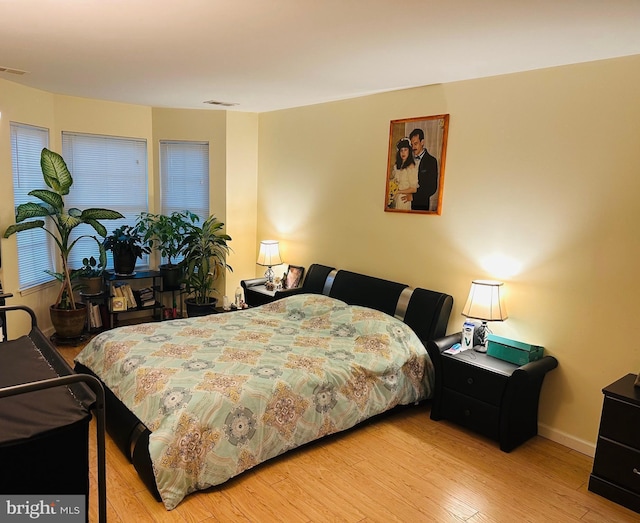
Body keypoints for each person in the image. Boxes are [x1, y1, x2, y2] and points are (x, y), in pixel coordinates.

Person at [401, 128, 439, 211]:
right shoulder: (408, 159)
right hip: (404, 204)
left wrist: (413, 197)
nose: (413, 147)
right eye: (412, 145)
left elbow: (432, 188)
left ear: (422, 142)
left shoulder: (431, 161)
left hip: (421, 205)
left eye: (416, 144)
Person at [389, 138, 418, 210]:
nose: (403, 153)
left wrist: (399, 191)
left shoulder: (411, 166)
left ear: (409, 151)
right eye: (401, 150)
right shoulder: (397, 166)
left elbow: (414, 189)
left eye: (405, 150)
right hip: (396, 198)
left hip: (404, 199)